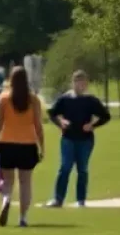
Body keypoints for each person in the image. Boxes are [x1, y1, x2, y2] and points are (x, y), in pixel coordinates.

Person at [46, 70, 110, 208]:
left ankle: (81, 200)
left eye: (83, 82)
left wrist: (93, 125)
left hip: (85, 140)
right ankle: (58, 199)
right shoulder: (65, 99)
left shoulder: (91, 100)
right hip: (68, 138)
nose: (80, 85)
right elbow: (52, 113)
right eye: (77, 81)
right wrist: (61, 123)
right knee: (65, 168)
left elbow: (106, 116)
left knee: (82, 169)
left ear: (86, 84)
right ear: (73, 83)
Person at [0, 66, 44, 228]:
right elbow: (38, 125)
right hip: (27, 144)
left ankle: (6, 199)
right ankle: (23, 217)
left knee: (7, 181)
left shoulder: (4, 98)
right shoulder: (33, 99)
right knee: (25, 182)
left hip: (6, 143)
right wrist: (42, 146)